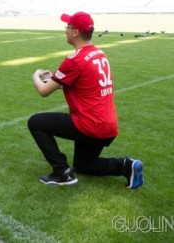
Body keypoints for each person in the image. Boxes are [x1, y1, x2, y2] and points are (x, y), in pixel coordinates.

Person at [27, 11, 143, 188]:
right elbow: (83, 84)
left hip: (89, 123)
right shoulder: (99, 53)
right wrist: (57, 81)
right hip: (108, 124)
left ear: (75, 33)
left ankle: (62, 173)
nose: (65, 29)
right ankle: (126, 166)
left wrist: (35, 76)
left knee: (35, 123)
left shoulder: (74, 60)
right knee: (83, 165)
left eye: (67, 26)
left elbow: (44, 91)